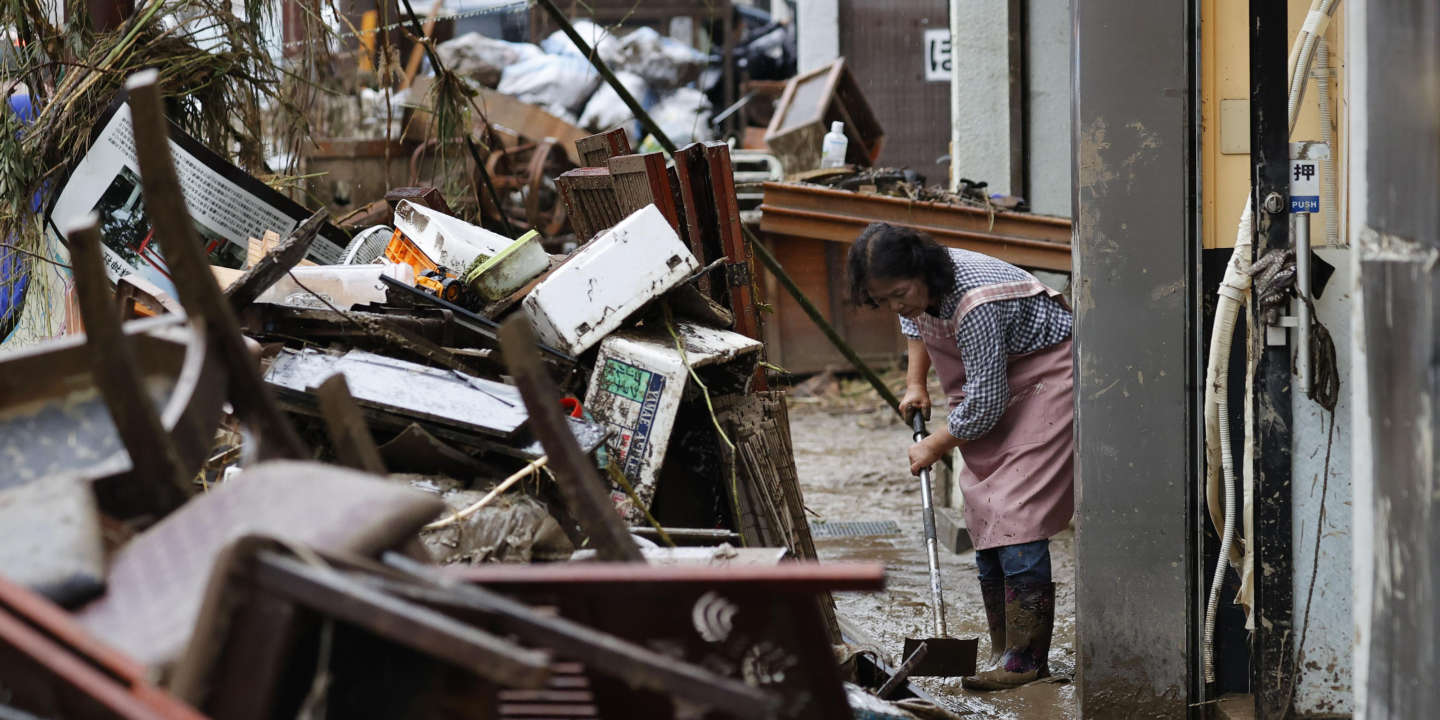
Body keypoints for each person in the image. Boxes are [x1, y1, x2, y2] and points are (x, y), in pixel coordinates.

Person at [847, 222, 1074, 691]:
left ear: (920, 271)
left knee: (1017, 509)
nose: (895, 305)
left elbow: (986, 406)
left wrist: (934, 444)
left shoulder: (975, 302)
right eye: (883, 299)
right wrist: (915, 384)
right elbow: (915, 323)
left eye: (899, 293)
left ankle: (1026, 659)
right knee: (986, 508)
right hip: (997, 383)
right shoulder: (923, 289)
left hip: (1048, 375)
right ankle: (1002, 647)